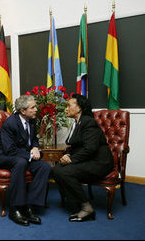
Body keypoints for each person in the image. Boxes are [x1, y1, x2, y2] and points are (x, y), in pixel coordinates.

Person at [52, 93, 114, 222]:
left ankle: (87, 208)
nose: (66, 109)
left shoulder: (88, 122)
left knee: (66, 172)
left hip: (99, 162)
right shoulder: (77, 122)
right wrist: (68, 154)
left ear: (79, 108)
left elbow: (90, 148)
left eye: (69, 105)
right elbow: (76, 145)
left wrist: (71, 159)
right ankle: (76, 205)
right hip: (88, 159)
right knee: (56, 169)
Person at [0, 95, 51, 226]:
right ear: (23, 111)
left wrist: (36, 147)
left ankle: (29, 206)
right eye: (33, 107)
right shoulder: (10, 124)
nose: (36, 109)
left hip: (23, 156)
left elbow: (34, 139)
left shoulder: (32, 120)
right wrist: (30, 154)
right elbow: (10, 150)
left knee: (44, 167)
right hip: (5, 157)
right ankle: (15, 208)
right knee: (21, 162)